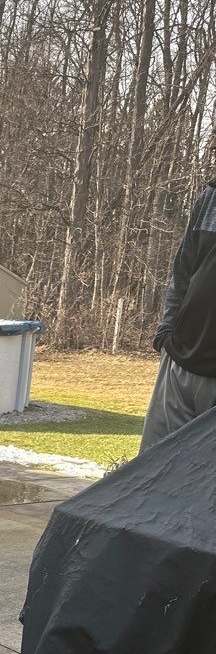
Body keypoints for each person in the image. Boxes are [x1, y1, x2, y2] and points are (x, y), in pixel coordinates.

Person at [141, 181, 216, 451]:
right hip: (178, 362)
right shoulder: (210, 196)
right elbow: (183, 267)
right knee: (152, 472)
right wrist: (166, 331)